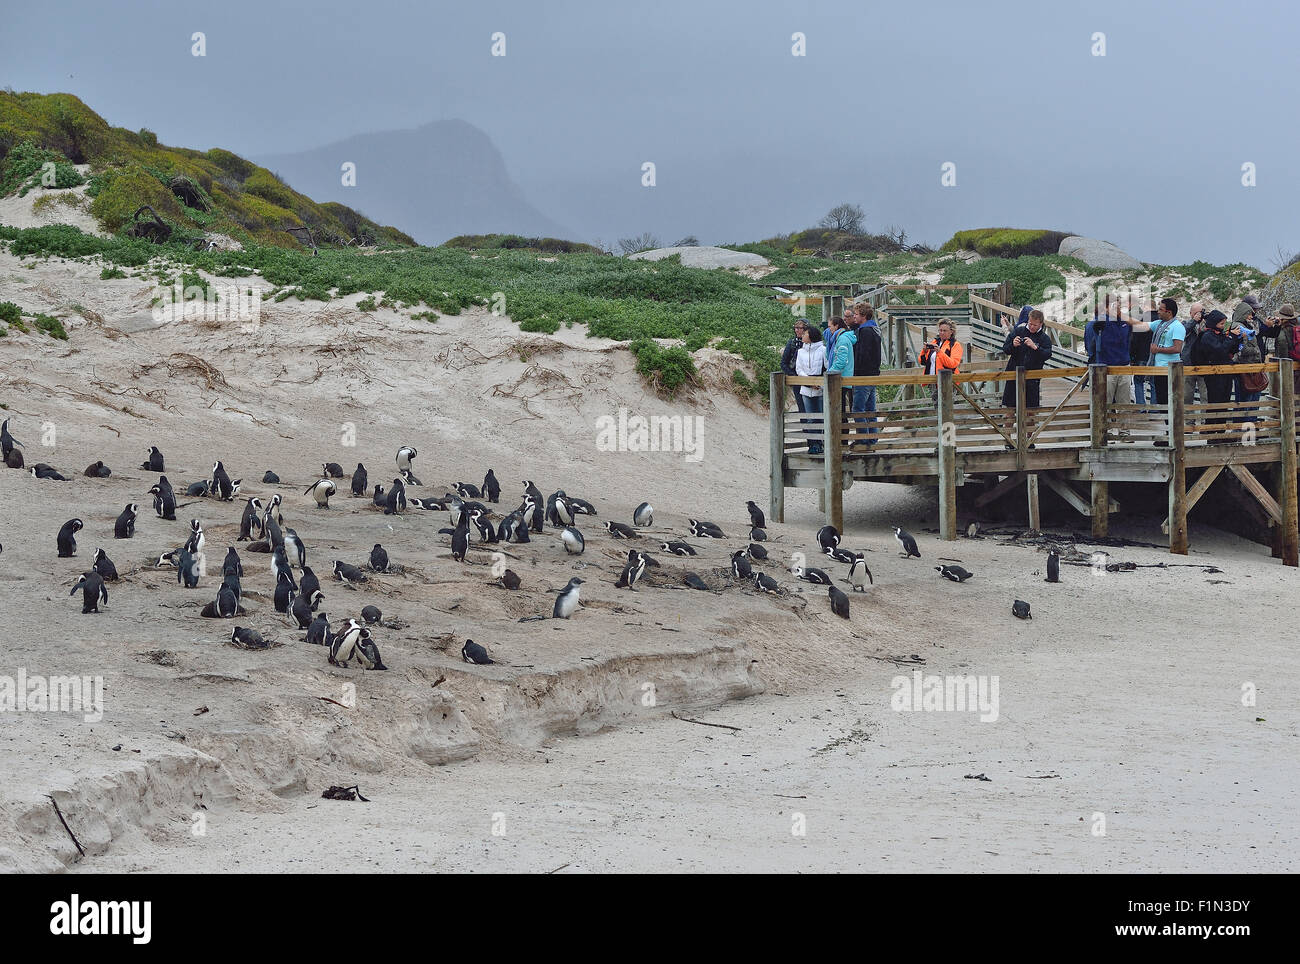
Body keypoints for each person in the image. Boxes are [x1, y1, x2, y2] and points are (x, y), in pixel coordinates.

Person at [1122, 297, 1185, 406]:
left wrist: (1158, 349)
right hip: (1158, 368)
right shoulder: (1159, 324)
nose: (1158, 312)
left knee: (1168, 401)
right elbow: (1138, 325)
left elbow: (1177, 348)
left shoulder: (1177, 327)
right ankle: (1166, 421)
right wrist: (1120, 315)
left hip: (1169, 369)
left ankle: (1171, 422)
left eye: (1160, 309)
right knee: (1161, 400)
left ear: (1169, 312)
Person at [1194, 310, 1242, 429]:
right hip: (1214, 375)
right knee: (1215, 402)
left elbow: (1230, 350)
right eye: (1221, 324)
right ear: (1214, 323)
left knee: (1224, 402)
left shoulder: (1219, 334)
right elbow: (1219, 350)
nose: (1223, 326)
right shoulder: (1207, 336)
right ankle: (1211, 431)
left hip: (1225, 373)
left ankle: (1221, 431)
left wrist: (1237, 338)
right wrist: (1231, 336)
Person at [1083, 296, 1134, 407]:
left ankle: (1123, 423)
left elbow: (1130, 339)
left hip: (1124, 366)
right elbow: (1092, 336)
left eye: (1119, 305)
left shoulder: (1125, 322)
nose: (1117, 308)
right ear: (1106, 308)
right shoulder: (1100, 322)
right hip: (1107, 366)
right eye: (1113, 306)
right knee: (1105, 402)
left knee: (1124, 403)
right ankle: (1103, 424)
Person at [1001, 308, 1053, 409]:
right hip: (1013, 376)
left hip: (1032, 379)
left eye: (1035, 325)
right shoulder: (1018, 331)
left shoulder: (1044, 338)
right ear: (1028, 320)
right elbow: (1005, 349)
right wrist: (1013, 345)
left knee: (1031, 414)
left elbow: (1047, 355)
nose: (1032, 326)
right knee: (1009, 412)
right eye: (1030, 323)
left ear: (1041, 324)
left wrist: (1035, 347)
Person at [849, 305, 882, 448]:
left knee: (858, 408)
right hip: (873, 373)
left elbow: (863, 354)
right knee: (869, 408)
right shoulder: (874, 329)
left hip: (863, 375)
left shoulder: (865, 331)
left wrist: (856, 370)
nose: (854, 317)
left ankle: (863, 438)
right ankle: (872, 438)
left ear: (863, 316)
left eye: (856, 314)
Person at [795, 324, 827, 453]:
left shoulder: (823, 350)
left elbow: (827, 367)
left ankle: (822, 443)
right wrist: (809, 381)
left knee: (820, 416)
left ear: (811, 335)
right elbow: (799, 369)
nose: (803, 335)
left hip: (820, 388)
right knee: (809, 417)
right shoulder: (800, 351)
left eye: (805, 333)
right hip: (806, 388)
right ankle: (813, 445)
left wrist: (818, 382)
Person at [919, 319, 963, 401]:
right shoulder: (935, 342)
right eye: (940, 330)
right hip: (933, 380)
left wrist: (940, 352)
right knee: (936, 405)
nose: (941, 333)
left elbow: (953, 364)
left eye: (945, 331)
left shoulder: (955, 345)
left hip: (947, 381)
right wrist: (924, 351)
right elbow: (923, 362)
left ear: (951, 332)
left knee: (944, 406)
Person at [1181, 302, 1209, 422]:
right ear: (1191, 313)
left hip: (1204, 364)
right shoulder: (1185, 323)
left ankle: (1204, 421)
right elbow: (1182, 333)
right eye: (1196, 312)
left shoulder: (1207, 323)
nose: (1199, 314)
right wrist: (1194, 321)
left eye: (1201, 312)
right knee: (1187, 395)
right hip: (1188, 363)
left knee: (1205, 395)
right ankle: (1188, 421)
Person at [1269, 303, 1300, 395]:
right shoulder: (1297, 327)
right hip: (1298, 365)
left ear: (1282, 318)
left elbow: (1283, 355)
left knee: (1290, 395)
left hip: (1290, 369)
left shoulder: (1282, 333)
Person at [1130, 304, 1157, 407]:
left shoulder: (1140, 320)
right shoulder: (1161, 321)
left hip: (1141, 357)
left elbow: (1134, 341)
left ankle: (1141, 406)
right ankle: (1154, 408)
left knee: (1138, 381)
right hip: (1156, 357)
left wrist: (1132, 357)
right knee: (1154, 383)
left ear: (1146, 307)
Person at [780, 319, 807, 410]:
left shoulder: (812, 343)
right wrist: (794, 375)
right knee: (802, 408)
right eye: (795, 328)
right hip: (797, 380)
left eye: (800, 328)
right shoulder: (791, 343)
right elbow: (783, 363)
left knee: (813, 408)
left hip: (811, 379)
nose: (797, 330)